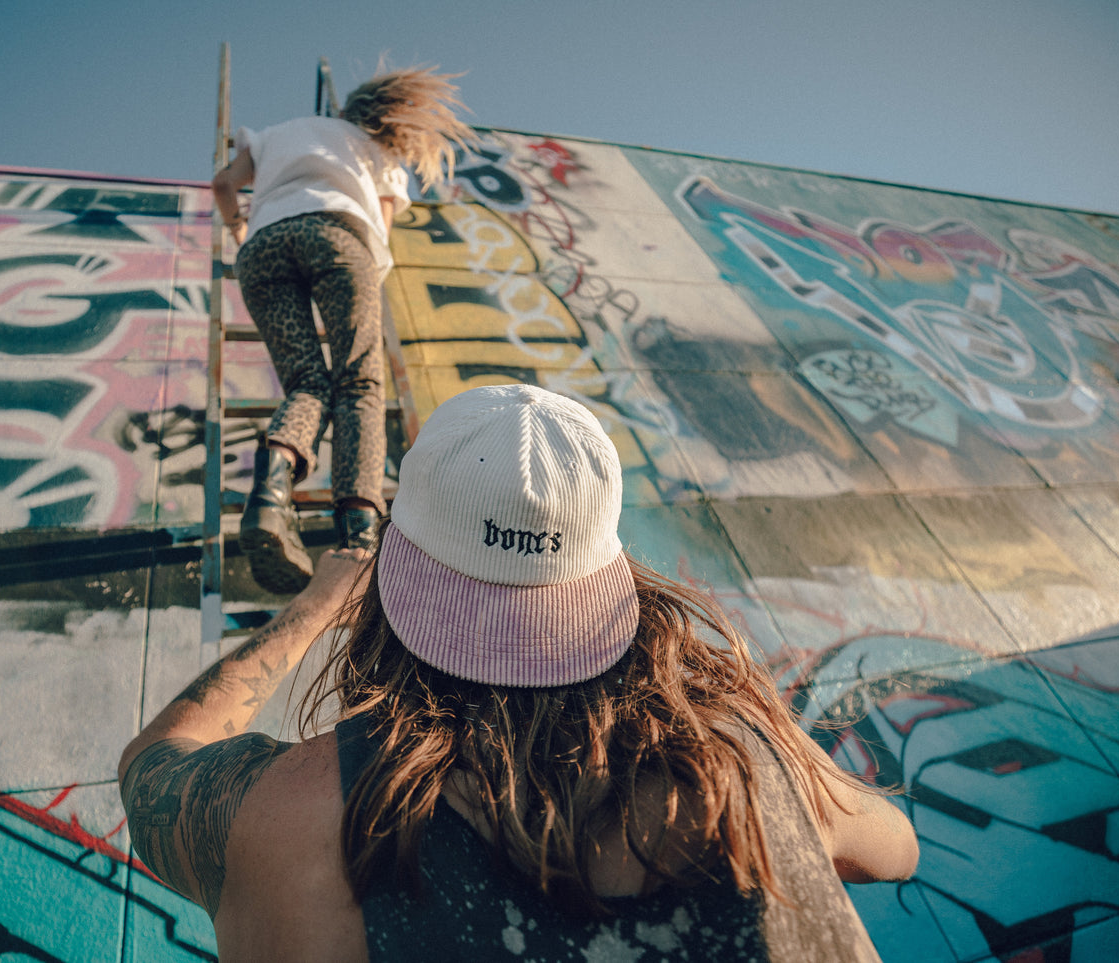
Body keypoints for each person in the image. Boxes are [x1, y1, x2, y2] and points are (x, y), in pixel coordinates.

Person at [119, 383, 919, 962]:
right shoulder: (741, 767)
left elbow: (151, 770)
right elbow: (896, 850)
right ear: (612, 587)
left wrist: (311, 609)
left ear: (393, 578)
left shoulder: (293, 820)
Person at [212, 66, 472, 593]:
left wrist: (241, 228)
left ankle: (267, 498)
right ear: (387, 118)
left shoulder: (274, 136)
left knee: (307, 383)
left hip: (262, 251)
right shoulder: (376, 150)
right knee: (360, 383)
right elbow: (380, 232)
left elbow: (222, 185)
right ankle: (359, 533)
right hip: (338, 240)